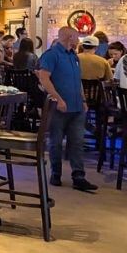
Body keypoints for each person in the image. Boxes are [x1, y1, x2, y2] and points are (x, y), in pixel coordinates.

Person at [37, 26, 98, 192]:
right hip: (58, 107)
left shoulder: (74, 56)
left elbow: (77, 80)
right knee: (56, 141)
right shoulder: (52, 55)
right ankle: (55, 173)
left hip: (76, 106)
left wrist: (83, 99)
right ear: (70, 37)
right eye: (77, 37)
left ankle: (79, 176)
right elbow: (44, 78)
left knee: (77, 141)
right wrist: (57, 98)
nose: (79, 40)